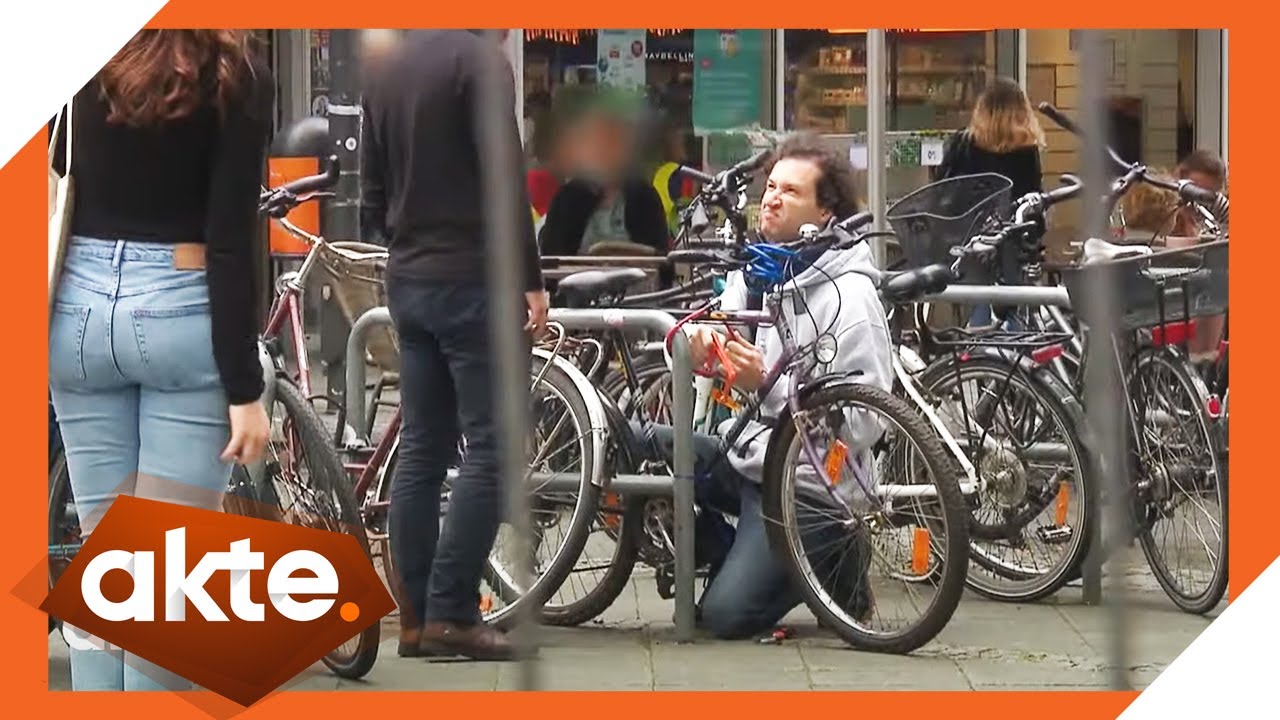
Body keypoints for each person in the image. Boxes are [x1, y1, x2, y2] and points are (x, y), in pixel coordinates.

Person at [47, 29, 273, 691]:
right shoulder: (234, 72)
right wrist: (245, 389)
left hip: (78, 312)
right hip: (180, 308)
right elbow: (230, 244)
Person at [638, 133, 894, 639]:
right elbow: (685, 340)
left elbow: (867, 422)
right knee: (629, 443)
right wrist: (698, 344)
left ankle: (833, 560)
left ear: (826, 214)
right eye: (771, 186)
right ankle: (745, 554)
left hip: (809, 489)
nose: (772, 198)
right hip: (745, 461)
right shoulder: (758, 273)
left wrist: (768, 386)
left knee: (724, 618)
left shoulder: (851, 296)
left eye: (791, 191)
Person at [360, 29, 547, 661]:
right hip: (475, 278)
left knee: (421, 445)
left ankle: (413, 619)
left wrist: (409, 243)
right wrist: (531, 279)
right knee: (495, 446)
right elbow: (504, 180)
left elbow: (371, 199)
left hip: (409, 279)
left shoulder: (385, 69)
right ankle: (451, 612)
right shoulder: (480, 64)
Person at [935, 76, 1045, 326]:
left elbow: (942, 189)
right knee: (1014, 305)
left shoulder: (963, 143)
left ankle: (978, 357)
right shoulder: (1026, 149)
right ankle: (1013, 359)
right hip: (1013, 240)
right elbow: (1033, 196)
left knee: (978, 307)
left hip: (970, 240)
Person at [537, 101, 670, 259]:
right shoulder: (567, 200)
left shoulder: (644, 198)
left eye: (614, 143)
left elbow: (661, 260)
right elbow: (552, 258)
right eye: (600, 143)